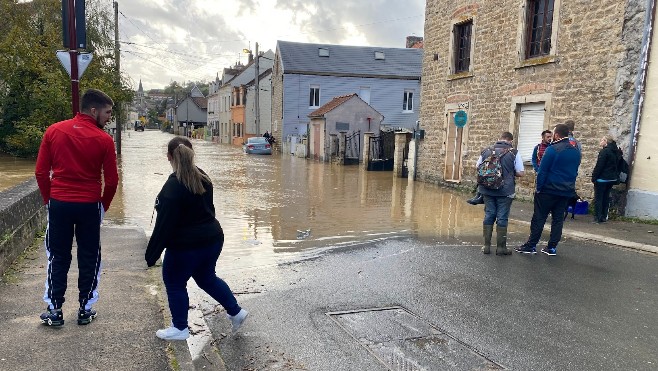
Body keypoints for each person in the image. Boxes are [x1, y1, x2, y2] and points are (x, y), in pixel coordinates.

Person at [145, 136, 248, 340]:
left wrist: (152, 255)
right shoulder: (204, 178)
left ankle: (180, 328)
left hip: (187, 246)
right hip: (213, 239)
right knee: (207, 278)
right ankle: (236, 312)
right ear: (192, 154)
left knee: (174, 282)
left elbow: (164, 226)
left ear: (169, 157)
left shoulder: (172, 188)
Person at [34, 89, 118, 326]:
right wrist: (102, 207)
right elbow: (111, 181)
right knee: (89, 255)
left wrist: (49, 200)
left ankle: (54, 309)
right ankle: (85, 308)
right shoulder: (104, 140)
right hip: (89, 204)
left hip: (60, 203)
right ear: (94, 111)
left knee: (57, 256)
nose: (109, 117)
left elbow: (41, 172)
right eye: (107, 112)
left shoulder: (54, 131)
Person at [516, 123, 581, 256]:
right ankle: (551, 247)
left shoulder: (552, 149)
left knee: (539, 218)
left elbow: (542, 171)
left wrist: (539, 188)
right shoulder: (576, 151)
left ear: (556, 135)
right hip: (566, 191)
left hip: (548, 190)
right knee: (558, 220)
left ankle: (531, 245)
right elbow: (575, 171)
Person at [476, 132, 525, 255]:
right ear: (510, 141)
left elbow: (477, 167)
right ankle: (501, 248)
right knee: (502, 217)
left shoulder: (486, 151)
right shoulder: (514, 152)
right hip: (505, 190)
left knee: (489, 214)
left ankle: (486, 246)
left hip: (487, 189)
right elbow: (521, 172)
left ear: (499, 139)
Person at [591, 135, 622, 223]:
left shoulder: (605, 152)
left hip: (602, 178)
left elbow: (599, 166)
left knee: (599, 198)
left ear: (606, 141)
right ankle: (604, 216)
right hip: (611, 178)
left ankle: (597, 217)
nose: (600, 141)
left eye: (602, 140)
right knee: (606, 197)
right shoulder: (616, 152)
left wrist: (594, 177)